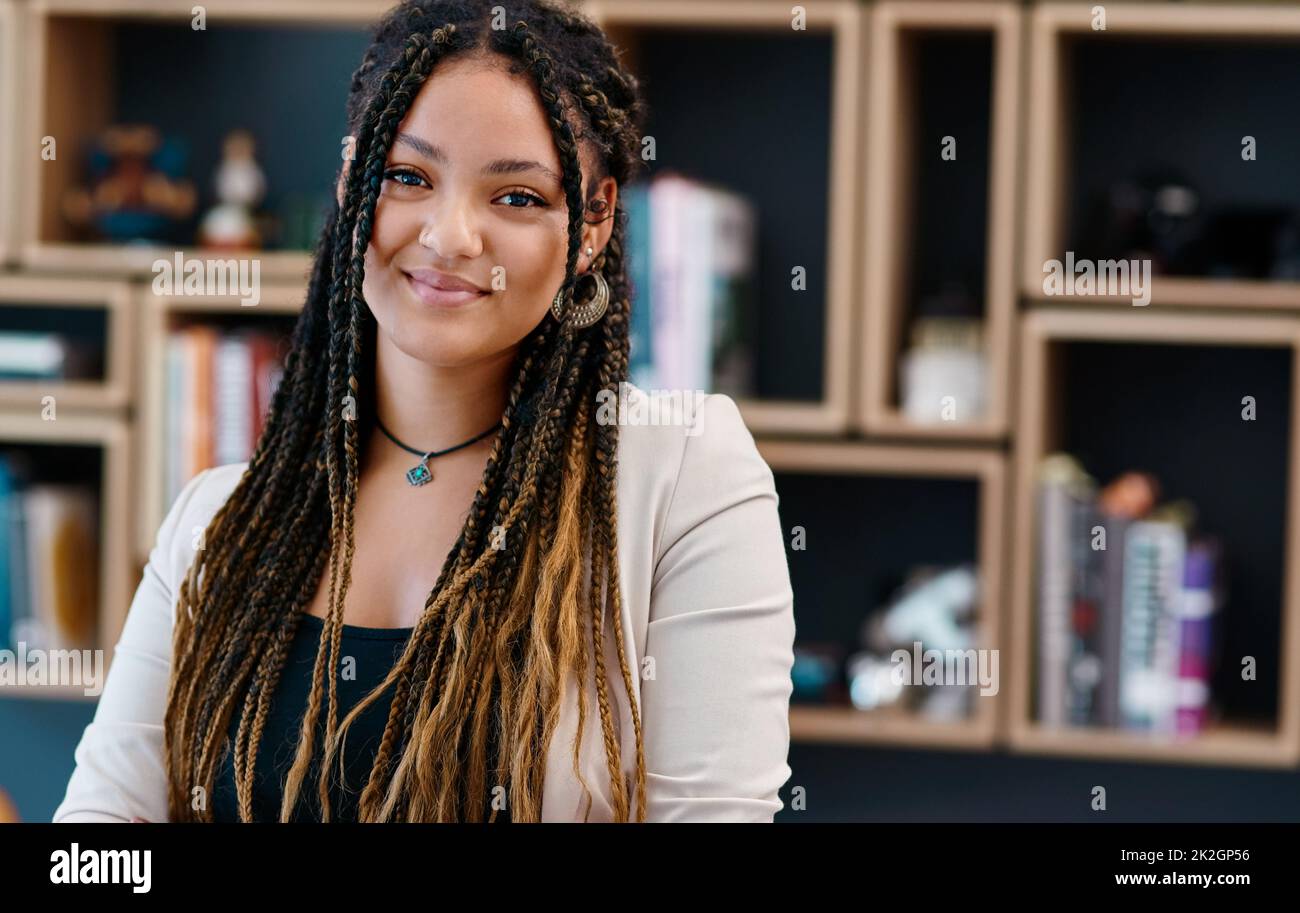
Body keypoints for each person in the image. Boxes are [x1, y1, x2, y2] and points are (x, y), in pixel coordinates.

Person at [53, 0, 794, 823]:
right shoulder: (216, 523)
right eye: (409, 177)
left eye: (515, 196)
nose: (451, 237)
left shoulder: (688, 476)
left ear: (593, 223)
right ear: (350, 184)